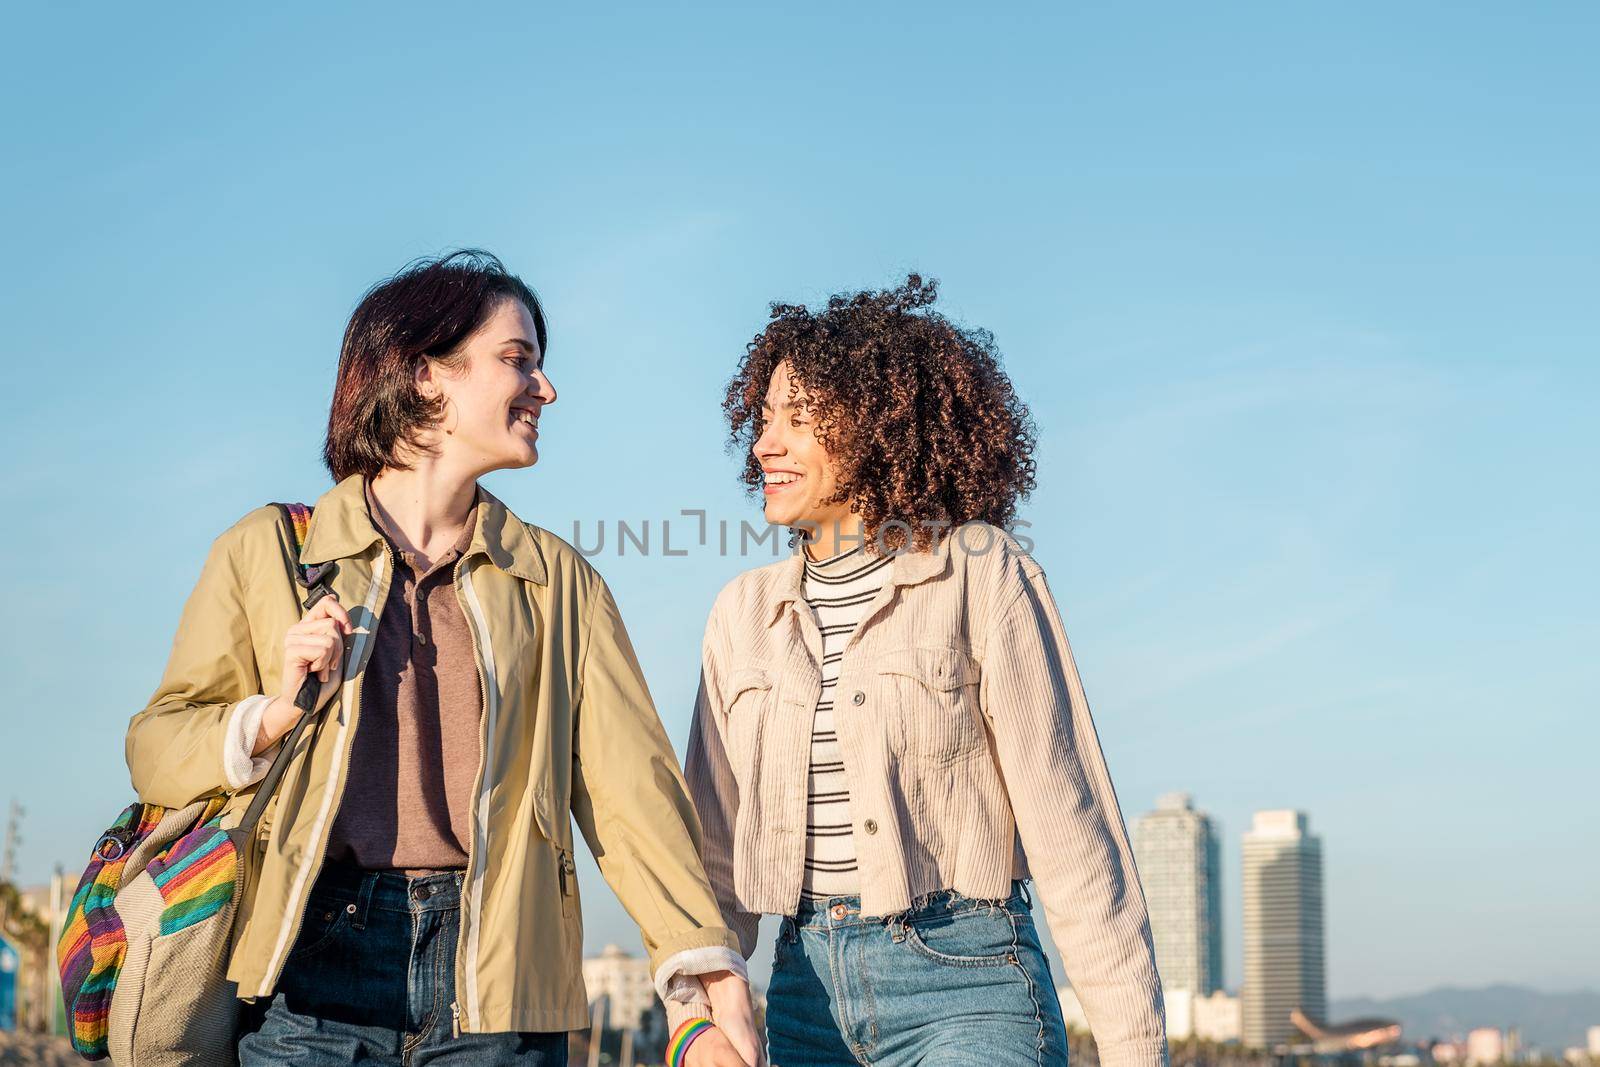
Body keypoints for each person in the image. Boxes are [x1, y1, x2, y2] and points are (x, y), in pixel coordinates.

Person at [125, 251, 760, 1066]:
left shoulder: (557, 580)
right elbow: (155, 743)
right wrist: (269, 718)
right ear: (427, 376)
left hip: (499, 986)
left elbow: (634, 796)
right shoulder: (269, 552)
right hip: (310, 976)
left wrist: (703, 980)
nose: (545, 388)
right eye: (517, 359)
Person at [682, 276, 1169, 1066]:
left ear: (883, 426)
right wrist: (699, 1014)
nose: (765, 443)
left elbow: (1071, 829)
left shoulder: (980, 571)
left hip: (971, 983)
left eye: (798, 419)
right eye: (764, 418)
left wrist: (1134, 1049)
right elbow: (709, 849)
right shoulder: (741, 613)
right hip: (804, 997)